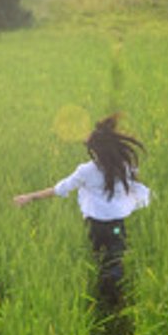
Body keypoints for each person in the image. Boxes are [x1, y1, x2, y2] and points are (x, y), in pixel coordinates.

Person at [14, 115, 150, 309]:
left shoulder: (86, 171)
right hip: (117, 223)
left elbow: (60, 189)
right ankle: (116, 293)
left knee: (97, 256)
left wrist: (30, 197)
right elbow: (133, 184)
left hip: (95, 224)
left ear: (94, 151)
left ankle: (102, 294)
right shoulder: (124, 166)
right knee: (116, 256)